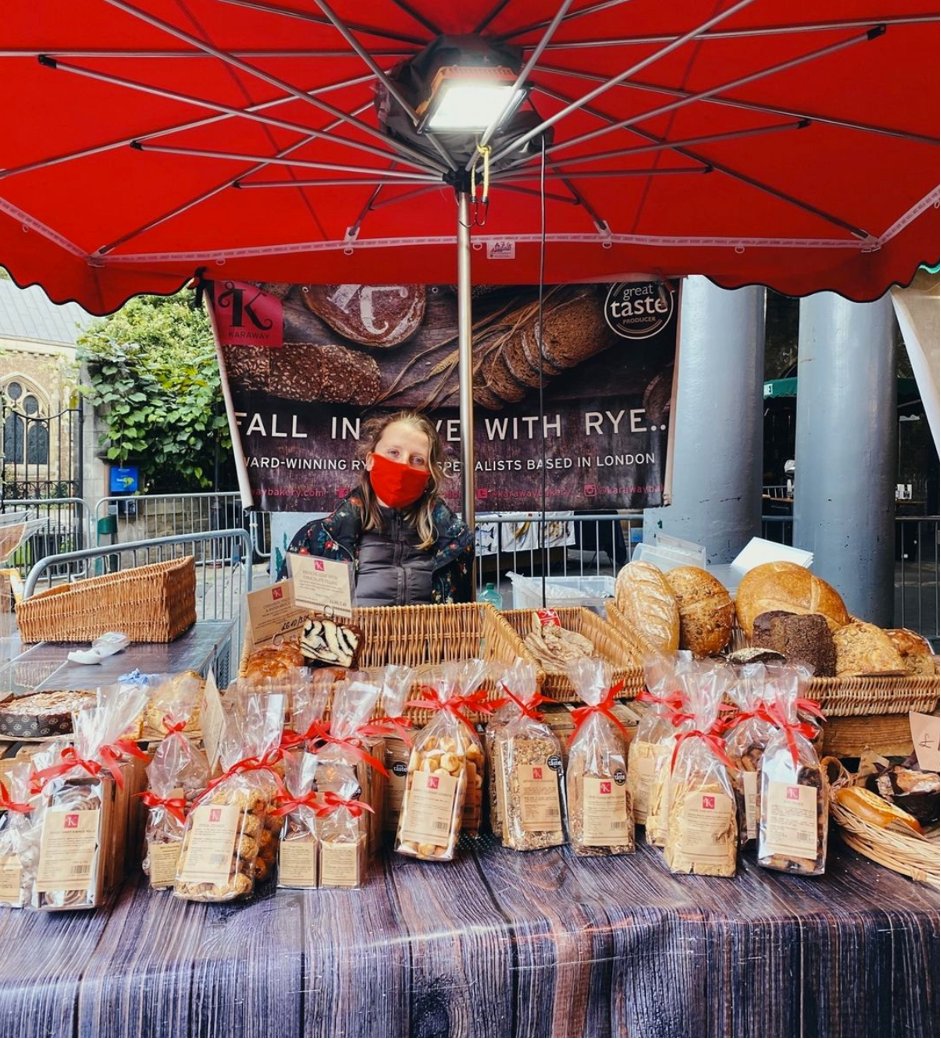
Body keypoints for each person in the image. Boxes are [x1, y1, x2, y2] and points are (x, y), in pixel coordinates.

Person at [280, 411, 475, 606]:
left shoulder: (454, 544)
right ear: (370, 460)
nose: (403, 465)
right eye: (393, 453)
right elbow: (283, 617)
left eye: (417, 460)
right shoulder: (318, 540)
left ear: (428, 475)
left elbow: (462, 615)